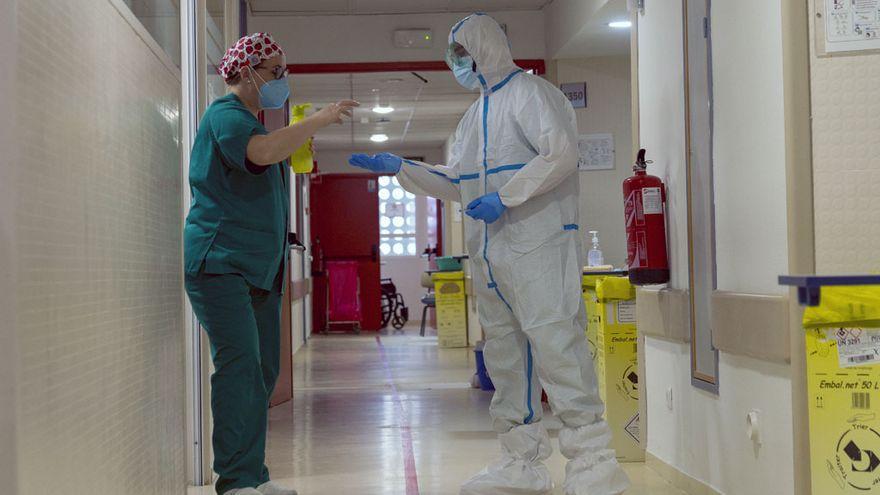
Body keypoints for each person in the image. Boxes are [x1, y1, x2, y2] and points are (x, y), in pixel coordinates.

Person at [349, 14, 629, 495]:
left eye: (462, 52)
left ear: (486, 47)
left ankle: (593, 462)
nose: (457, 63)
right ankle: (522, 461)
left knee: (557, 346)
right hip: (491, 253)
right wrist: (404, 169)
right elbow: (457, 183)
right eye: (453, 55)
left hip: (538, 244)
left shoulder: (532, 94)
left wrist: (508, 195)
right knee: (504, 353)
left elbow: (560, 154)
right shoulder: (471, 117)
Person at [184, 33, 357, 495]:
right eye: (275, 71)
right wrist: (317, 120)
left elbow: (268, 159)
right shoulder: (226, 116)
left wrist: (297, 148)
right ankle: (235, 480)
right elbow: (258, 156)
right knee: (239, 366)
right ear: (246, 72)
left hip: (258, 268)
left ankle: (253, 476)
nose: (283, 79)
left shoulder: (256, 124)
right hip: (219, 263)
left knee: (261, 372)